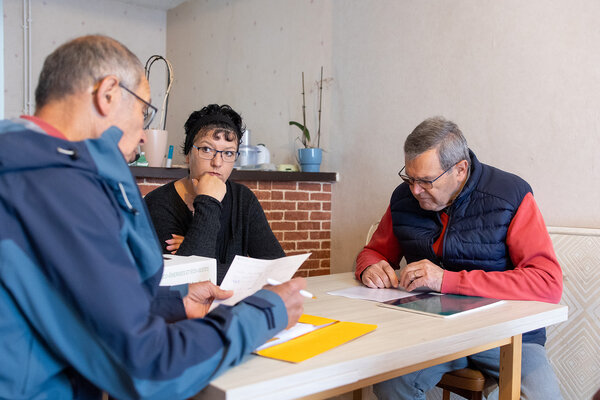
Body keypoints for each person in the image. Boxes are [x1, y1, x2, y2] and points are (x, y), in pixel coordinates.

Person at [0, 35, 305, 400]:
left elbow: (87, 297)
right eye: (143, 111)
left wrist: (176, 301)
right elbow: (149, 367)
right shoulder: (55, 184)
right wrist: (264, 314)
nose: (144, 136)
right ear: (108, 94)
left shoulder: (31, 165)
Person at [355, 117, 563, 400]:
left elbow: (547, 283)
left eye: (426, 181)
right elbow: (376, 252)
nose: (415, 190)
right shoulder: (404, 199)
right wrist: (369, 266)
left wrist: (448, 281)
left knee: (545, 397)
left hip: (508, 334)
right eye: (410, 178)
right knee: (390, 385)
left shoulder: (510, 195)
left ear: (460, 169)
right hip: (434, 330)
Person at [145, 105, 284, 284]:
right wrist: (208, 200)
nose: (217, 162)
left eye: (228, 153)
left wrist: (200, 257)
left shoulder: (244, 199)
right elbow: (186, 283)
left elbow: (277, 270)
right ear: (188, 154)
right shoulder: (158, 203)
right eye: (206, 149)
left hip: (234, 306)